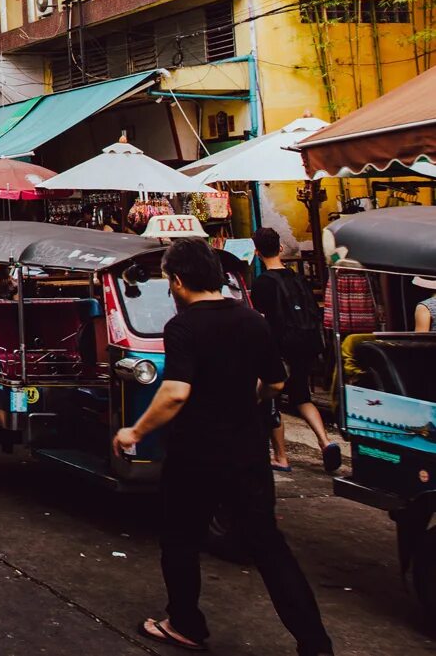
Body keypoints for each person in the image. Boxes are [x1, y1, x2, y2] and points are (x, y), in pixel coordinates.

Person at [113, 239, 333, 656]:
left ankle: (185, 624)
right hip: (248, 453)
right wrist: (244, 396)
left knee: (180, 539)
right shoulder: (253, 321)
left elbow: (176, 393)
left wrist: (135, 432)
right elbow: (276, 383)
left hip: (195, 455)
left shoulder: (183, 327)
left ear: (177, 282)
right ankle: (315, 643)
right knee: (269, 546)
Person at [250, 228, 341, 474]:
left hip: (278, 349)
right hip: (304, 345)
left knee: (271, 402)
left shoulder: (261, 284)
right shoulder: (297, 278)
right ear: (280, 248)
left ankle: (281, 457)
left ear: (257, 253)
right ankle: (325, 441)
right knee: (302, 397)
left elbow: (260, 319)